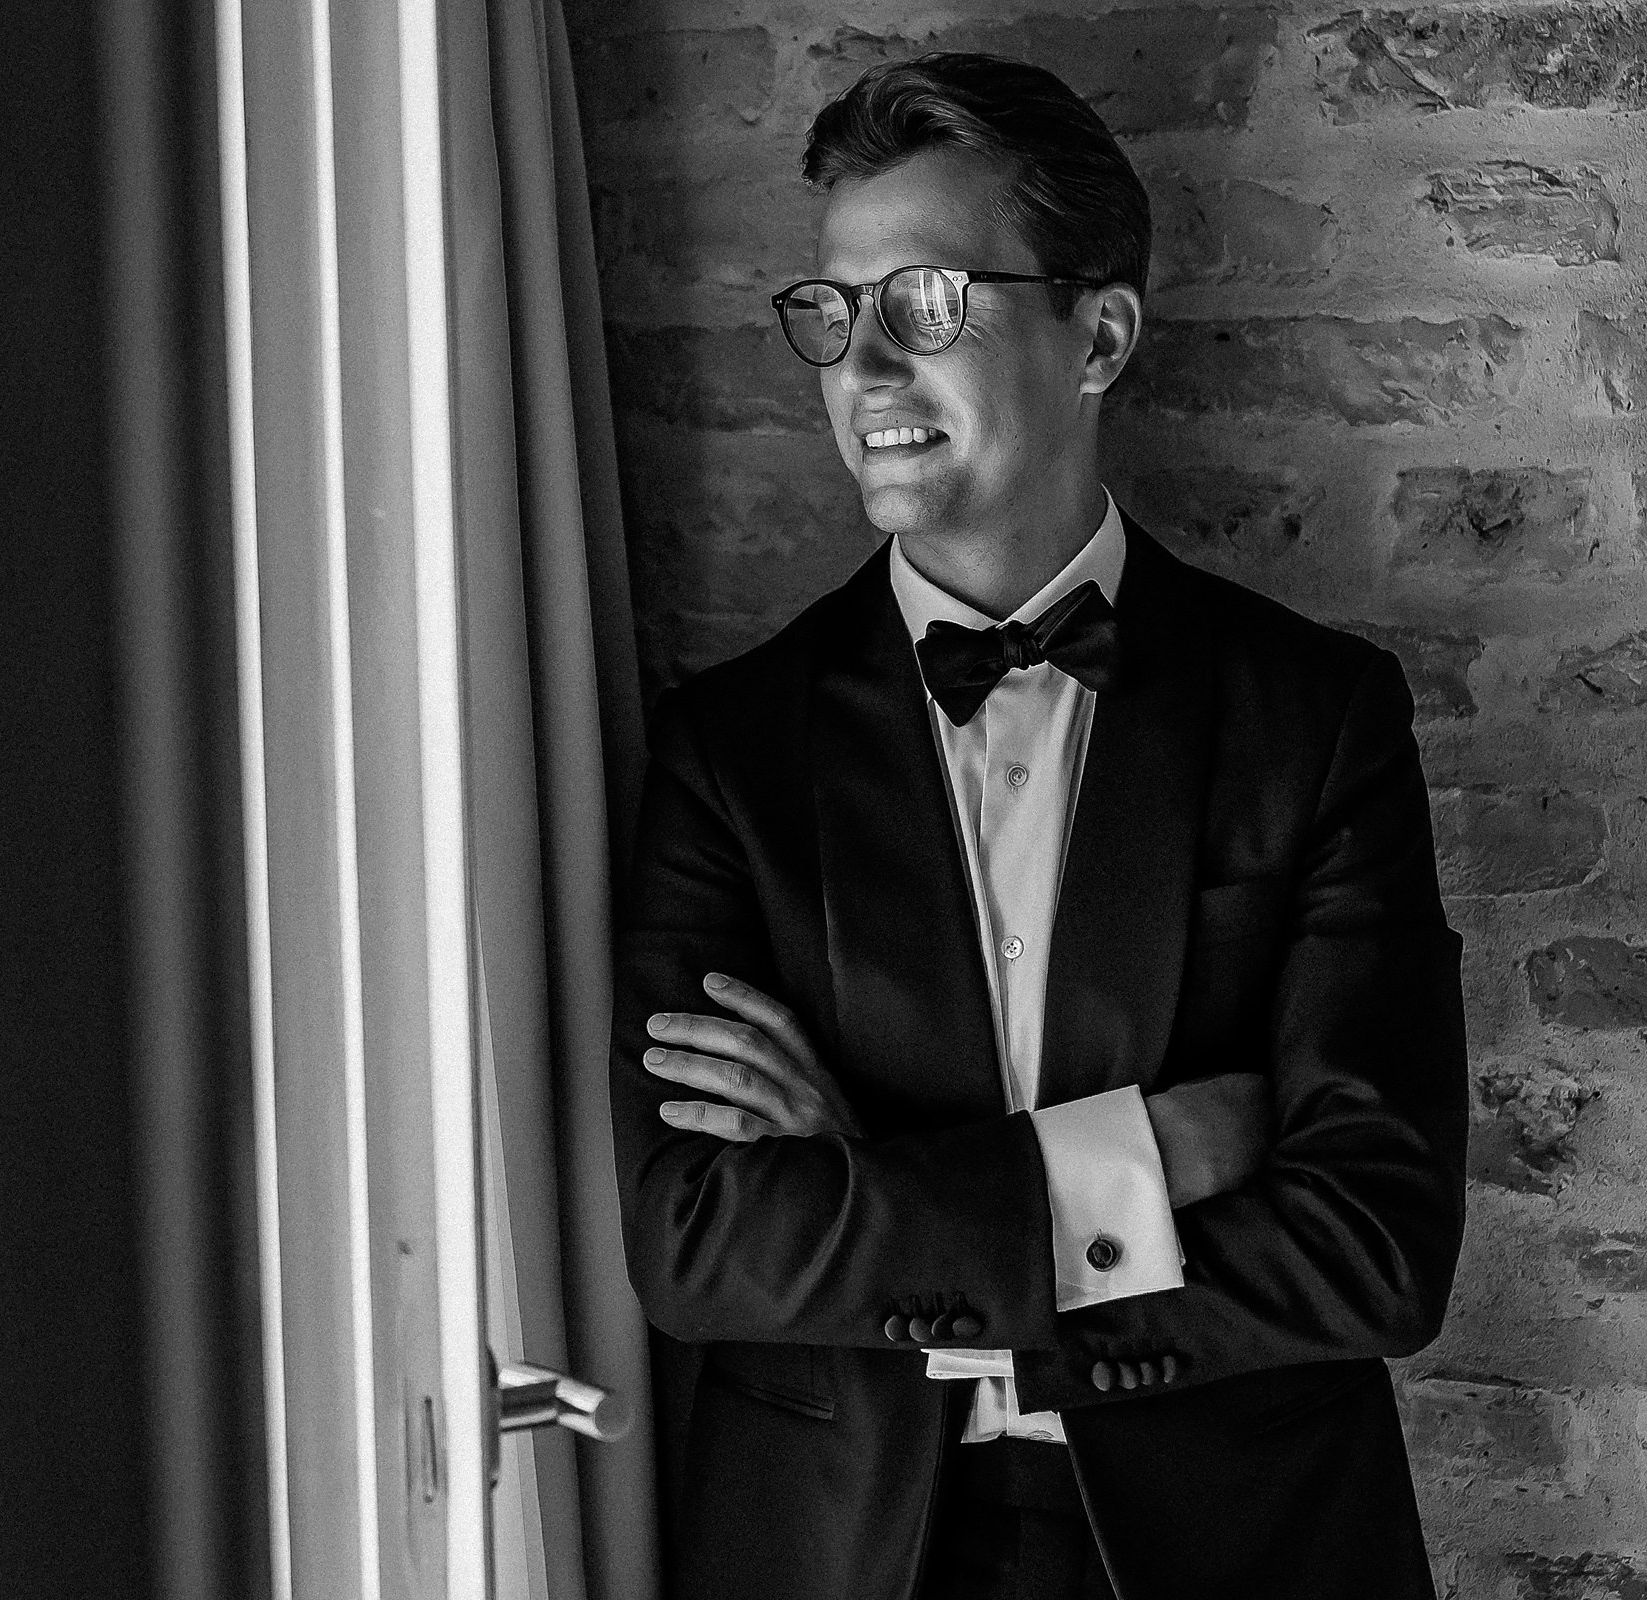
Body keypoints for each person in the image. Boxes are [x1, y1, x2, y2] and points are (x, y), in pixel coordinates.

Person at [608, 52, 1467, 1600]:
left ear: (1101, 336)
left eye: (927, 302)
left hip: (1247, 1548)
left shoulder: (1318, 718)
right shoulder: (728, 752)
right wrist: (1146, 1157)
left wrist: (869, 1183)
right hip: (839, 1549)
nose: (865, 365)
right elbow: (700, 1243)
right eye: (831, 312)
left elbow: (1376, 1248)